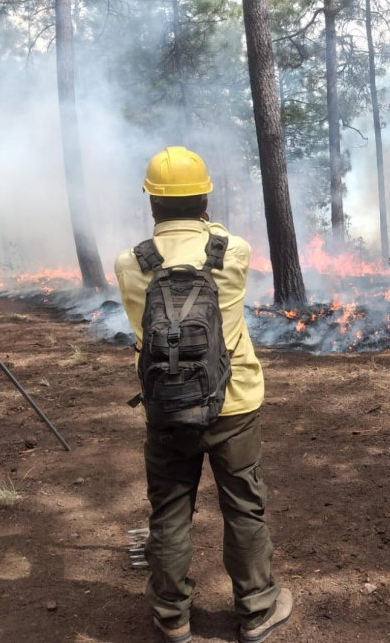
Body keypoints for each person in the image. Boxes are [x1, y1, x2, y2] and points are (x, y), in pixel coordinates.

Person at [115, 146, 293, 643]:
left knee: (170, 510)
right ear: (205, 199)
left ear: (152, 202)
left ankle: (172, 616)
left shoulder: (130, 262)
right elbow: (215, 236)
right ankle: (257, 609)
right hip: (234, 403)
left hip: (166, 407)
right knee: (244, 506)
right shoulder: (232, 251)